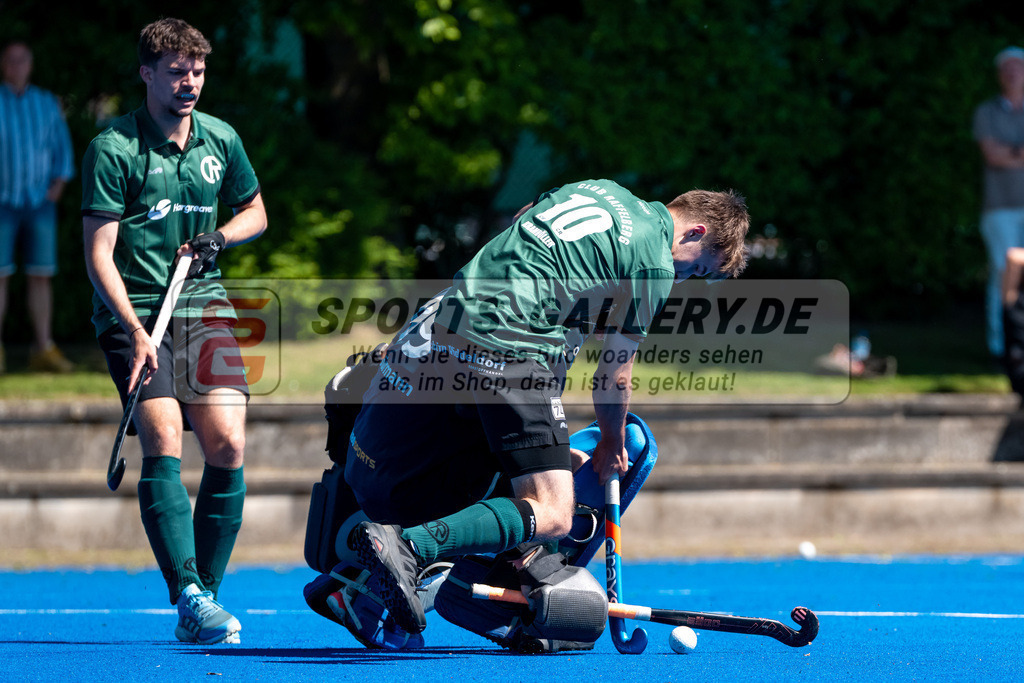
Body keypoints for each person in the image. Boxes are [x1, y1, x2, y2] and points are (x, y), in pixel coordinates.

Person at [315, 180, 749, 650]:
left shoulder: (598, 189)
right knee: (554, 510)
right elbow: (613, 376)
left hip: (453, 320)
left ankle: (364, 587)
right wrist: (611, 442)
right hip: (513, 344)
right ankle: (412, 549)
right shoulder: (654, 263)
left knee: (519, 467)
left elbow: (526, 215)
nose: (682, 278)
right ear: (695, 232)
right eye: (694, 268)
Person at [81, 18, 267, 645]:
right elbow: (98, 255)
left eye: (198, 71)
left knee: (228, 446)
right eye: (177, 72)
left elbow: (255, 211)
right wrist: (135, 330)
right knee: (162, 439)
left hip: (204, 306)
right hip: (133, 312)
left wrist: (221, 237)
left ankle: (202, 598)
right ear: (147, 74)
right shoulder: (114, 148)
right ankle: (188, 591)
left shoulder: (221, 139)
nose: (190, 83)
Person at [0, 40, 76, 373]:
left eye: (22, 60)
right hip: (3, 202)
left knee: (41, 275)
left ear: (30, 65)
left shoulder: (46, 102)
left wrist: (57, 186)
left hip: (40, 202)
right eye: (10, 60)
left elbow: (62, 149)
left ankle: (43, 347)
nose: (16, 66)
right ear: (3, 64)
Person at [974, 46, 1024, 360]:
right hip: (999, 208)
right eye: (1007, 68)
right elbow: (992, 155)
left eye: (1018, 67)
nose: (1012, 73)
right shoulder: (987, 112)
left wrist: (1009, 153)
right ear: (999, 75)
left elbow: (1001, 154)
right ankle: (1001, 345)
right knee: (1003, 273)